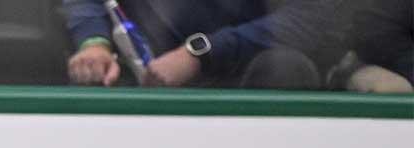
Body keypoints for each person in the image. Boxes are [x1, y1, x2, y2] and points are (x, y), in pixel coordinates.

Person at [63, 0, 334, 89]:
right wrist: (94, 43)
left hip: (244, 80)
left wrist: (200, 53)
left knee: (285, 69)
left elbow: (309, 17)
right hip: (148, 82)